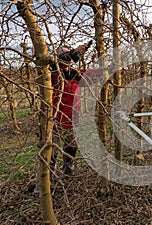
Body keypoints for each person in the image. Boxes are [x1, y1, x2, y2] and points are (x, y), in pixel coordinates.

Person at [34, 42, 90, 196]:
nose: (68, 57)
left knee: (71, 149)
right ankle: (42, 186)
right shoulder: (51, 72)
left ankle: (68, 173)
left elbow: (92, 75)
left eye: (69, 54)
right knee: (50, 153)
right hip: (54, 120)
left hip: (73, 119)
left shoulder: (73, 74)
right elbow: (57, 62)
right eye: (64, 53)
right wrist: (72, 52)